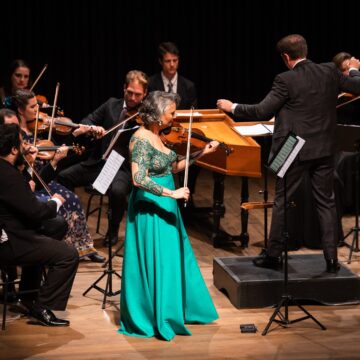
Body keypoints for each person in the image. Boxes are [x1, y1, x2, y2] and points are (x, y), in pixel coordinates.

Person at [217, 34, 360, 273]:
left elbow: (262, 110)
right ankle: (332, 259)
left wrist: (232, 107)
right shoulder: (329, 71)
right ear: (305, 50)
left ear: (285, 57)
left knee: (282, 199)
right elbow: (356, 86)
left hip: (291, 146)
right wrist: (354, 69)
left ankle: (273, 256)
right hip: (325, 147)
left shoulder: (284, 79)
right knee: (326, 202)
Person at [119, 91, 219, 341]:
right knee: (158, 261)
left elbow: (173, 167)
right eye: (171, 112)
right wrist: (171, 193)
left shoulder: (158, 136)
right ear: (156, 114)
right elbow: (138, 178)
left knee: (171, 261)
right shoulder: (140, 139)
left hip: (166, 205)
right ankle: (156, 315)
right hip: (151, 208)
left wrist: (202, 153)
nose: (175, 117)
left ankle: (172, 310)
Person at [9, 89, 105, 262]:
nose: (38, 112)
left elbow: (59, 149)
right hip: (29, 183)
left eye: (37, 106)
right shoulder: (15, 137)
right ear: (21, 111)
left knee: (73, 198)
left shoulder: (38, 129)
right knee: (58, 205)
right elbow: (24, 175)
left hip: (43, 178)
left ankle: (82, 247)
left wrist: (78, 133)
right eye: (32, 108)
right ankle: (55, 249)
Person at [57, 70, 149, 246]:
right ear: (124, 88)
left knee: (118, 191)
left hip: (122, 168)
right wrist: (93, 128)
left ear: (144, 95)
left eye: (138, 95)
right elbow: (88, 119)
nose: (132, 98)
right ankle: (74, 223)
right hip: (99, 163)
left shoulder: (144, 116)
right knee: (63, 177)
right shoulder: (111, 105)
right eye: (129, 92)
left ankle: (113, 229)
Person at [0, 123, 79, 326]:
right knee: (68, 255)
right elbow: (35, 212)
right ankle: (41, 307)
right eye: (22, 143)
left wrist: (26, 172)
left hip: (12, 230)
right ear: (13, 150)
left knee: (56, 226)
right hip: (11, 241)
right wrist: (55, 202)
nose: (27, 147)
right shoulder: (8, 176)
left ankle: (29, 295)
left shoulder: (7, 171)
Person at [148, 42, 197, 110]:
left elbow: (193, 113)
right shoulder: (150, 84)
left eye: (175, 60)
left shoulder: (189, 86)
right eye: (168, 61)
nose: (172, 64)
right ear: (160, 61)